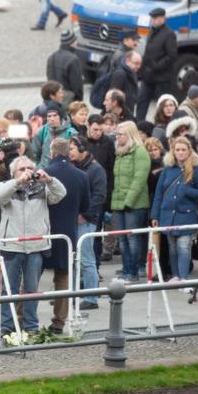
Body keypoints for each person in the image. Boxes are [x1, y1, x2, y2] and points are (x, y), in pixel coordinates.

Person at [0, 155, 66, 335]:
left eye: (29, 169)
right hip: (11, 246)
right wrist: (18, 182)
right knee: (9, 288)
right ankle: (6, 327)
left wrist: (49, 179)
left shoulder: (42, 188)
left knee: (32, 289)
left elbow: (61, 194)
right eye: (21, 169)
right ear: (13, 173)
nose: (26, 172)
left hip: (36, 246)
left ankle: (31, 326)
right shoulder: (6, 187)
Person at [43, 138, 90, 334]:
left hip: (44, 231)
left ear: (52, 152)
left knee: (29, 279)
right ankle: (58, 323)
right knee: (63, 277)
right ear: (68, 153)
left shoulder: (44, 173)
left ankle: (23, 320)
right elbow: (85, 206)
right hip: (68, 232)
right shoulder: (81, 175)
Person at [151, 136, 198, 291]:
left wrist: (188, 191)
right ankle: (176, 275)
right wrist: (154, 215)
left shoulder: (196, 170)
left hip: (186, 215)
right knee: (172, 247)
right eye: (178, 150)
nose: (181, 153)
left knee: (184, 246)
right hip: (167, 215)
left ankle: (184, 278)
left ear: (189, 151)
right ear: (173, 151)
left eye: (184, 150)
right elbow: (158, 194)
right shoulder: (167, 169)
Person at [109, 121, 151, 281]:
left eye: (120, 134)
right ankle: (126, 269)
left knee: (132, 239)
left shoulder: (139, 152)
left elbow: (139, 179)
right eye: (117, 135)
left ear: (130, 135)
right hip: (119, 204)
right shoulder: (120, 152)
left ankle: (133, 272)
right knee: (122, 239)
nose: (117, 137)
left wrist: (128, 201)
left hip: (134, 205)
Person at [68, 136, 106, 309]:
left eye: (72, 149)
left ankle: (91, 298)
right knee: (73, 259)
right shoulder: (74, 167)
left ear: (82, 148)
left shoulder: (96, 169)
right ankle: (72, 295)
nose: (69, 152)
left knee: (86, 260)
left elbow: (99, 196)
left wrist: (85, 215)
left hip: (86, 220)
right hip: (74, 219)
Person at [136, 9, 177, 121]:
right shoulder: (152, 31)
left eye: (156, 18)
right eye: (153, 19)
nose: (153, 21)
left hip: (161, 79)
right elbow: (148, 52)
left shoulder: (169, 34)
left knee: (163, 106)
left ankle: (162, 126)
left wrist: (157, 66)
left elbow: (172, 56)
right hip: (147, 76)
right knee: (141, 101)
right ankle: (139, 125)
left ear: (163, 19)